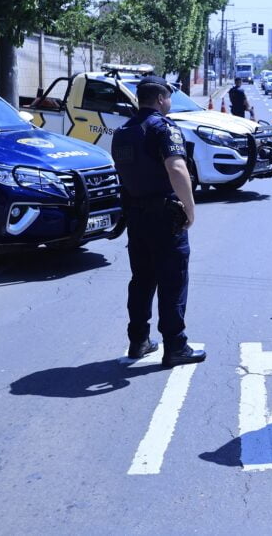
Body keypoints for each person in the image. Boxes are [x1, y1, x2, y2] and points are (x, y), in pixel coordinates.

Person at [111, 78, 206, 367]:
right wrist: (190, 208)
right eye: (169, 98)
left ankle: (138, 340)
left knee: (141, 280)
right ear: (161, 99)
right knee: (172, 281)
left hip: (136, 216)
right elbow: (176, 168)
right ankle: (175, 345)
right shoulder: (163, 128)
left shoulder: (122, 132)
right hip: (165, 217)